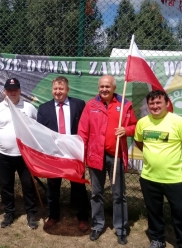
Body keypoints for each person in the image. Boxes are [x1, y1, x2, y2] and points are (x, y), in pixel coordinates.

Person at [78, 75, 137, 245]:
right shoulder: (91, 105)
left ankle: (121, 229)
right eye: (102, 86)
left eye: (107, 86)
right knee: (96, 193)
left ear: (114, 88)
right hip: (95, 156)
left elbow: (135, 126)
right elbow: (83, 131)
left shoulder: (125, 104)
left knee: (119, 195)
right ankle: (97, 225)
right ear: (99, 87)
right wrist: (82, 156)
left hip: (116, 155)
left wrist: (126, 130)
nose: (104, 89)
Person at [37, 76, 89, 232]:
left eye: (61, 89)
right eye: (55, 89)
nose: (57, 92)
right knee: (53, 187)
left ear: (67, 90)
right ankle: (53, 216)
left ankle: (83, 217)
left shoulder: (79, 104)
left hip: (73, 153)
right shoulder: (44, 108)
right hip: (54, 154)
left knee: (78, 186)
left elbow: (85, 126)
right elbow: (40, 132)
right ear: (52, 90)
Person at [0, 78, 38, 230]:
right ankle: (9, 213)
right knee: (6, 185)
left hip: (25, 156)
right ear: (4, 92)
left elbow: (37, 129)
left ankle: (31, 213)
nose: (12, 92)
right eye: (9, 90)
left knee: (28, 185)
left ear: (20, 91)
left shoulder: (29, 108)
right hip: (4, 155)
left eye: (15, 90)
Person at [134, 90, 182, 248]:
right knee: (154, 212)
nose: (155, 106)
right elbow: (139, 142)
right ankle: (157, 239)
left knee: (180, 213)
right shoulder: (142, 123)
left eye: (158, 102)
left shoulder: (178, 122)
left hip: (176, 178)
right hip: (149, 177)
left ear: (167, 103)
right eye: (151, 103)